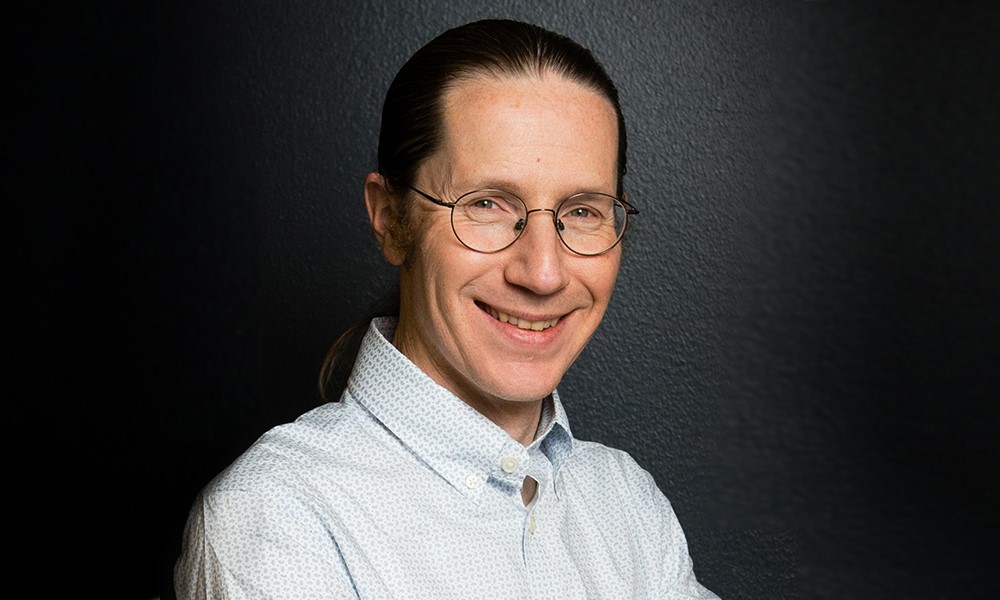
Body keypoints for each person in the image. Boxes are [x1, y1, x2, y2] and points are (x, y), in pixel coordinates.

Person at [175, 18, 719, 599]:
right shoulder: (280, 518)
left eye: (582, 211)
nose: (542, 272)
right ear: (389, 218)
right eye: (485, 203)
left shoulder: (629, 505)